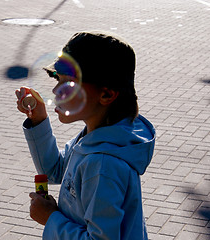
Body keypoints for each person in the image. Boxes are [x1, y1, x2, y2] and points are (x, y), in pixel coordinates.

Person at [15, 31, 155, 239]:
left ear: (106, 95)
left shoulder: (103, 164)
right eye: (57, 79)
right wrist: (38, 120)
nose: (56, 91)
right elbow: (54, 170)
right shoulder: (95, 136)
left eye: (68, 84)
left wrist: (51, 218)